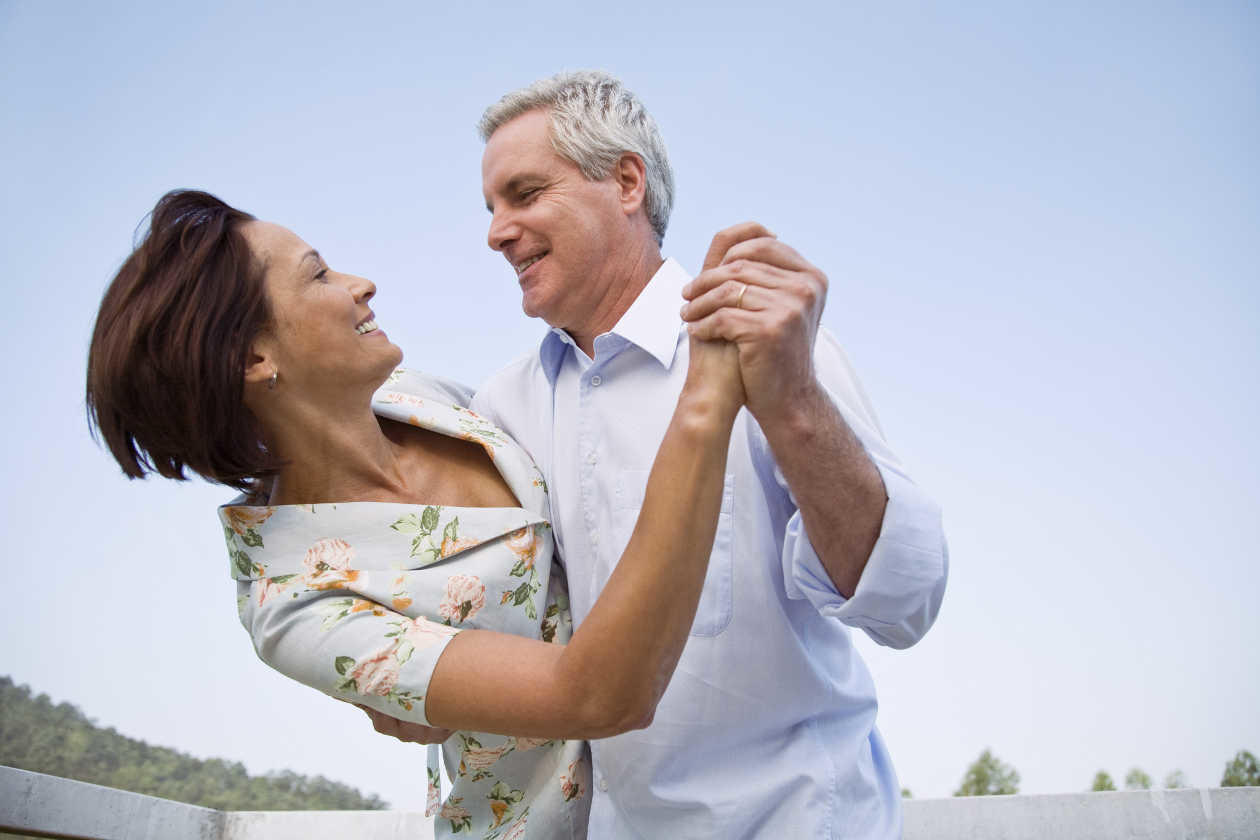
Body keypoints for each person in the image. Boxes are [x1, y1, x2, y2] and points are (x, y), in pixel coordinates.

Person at [85, 189, 751, 839]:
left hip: (691, 790)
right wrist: (706, 404)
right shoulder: (294, 604)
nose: (361, 283)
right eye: (318, 274)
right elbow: (600, 697)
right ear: (254, 359)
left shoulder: (423, 400)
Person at [464, 71, 949, 839]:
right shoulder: (503, 407)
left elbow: (907, 602)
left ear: (626, 181)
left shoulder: (779, 342)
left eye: (524, 194)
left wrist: (789, 399)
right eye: (491, 207)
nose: (496, 230)